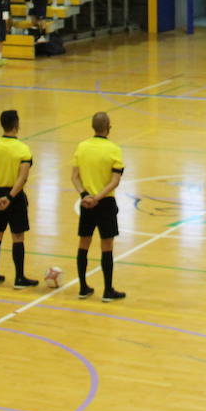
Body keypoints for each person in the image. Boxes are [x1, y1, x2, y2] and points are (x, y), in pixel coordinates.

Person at [0, 109, 39, 289]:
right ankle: (19, 278)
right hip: (15, 197)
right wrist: (10, 197)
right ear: (16, 125)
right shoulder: (22, 149)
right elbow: (23, 178)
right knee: (18, 237)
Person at [72, 111, 127, 301]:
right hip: (105, 203)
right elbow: (115, 181)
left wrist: (85, 195)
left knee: (84, 244)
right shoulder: (114, 150)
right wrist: (98, 197)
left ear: (92, 127)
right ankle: (108, 290)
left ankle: (82, 287)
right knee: (107, 246)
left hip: (86, 203)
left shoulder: (82, 147)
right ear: (108, 127)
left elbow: (74, 177)